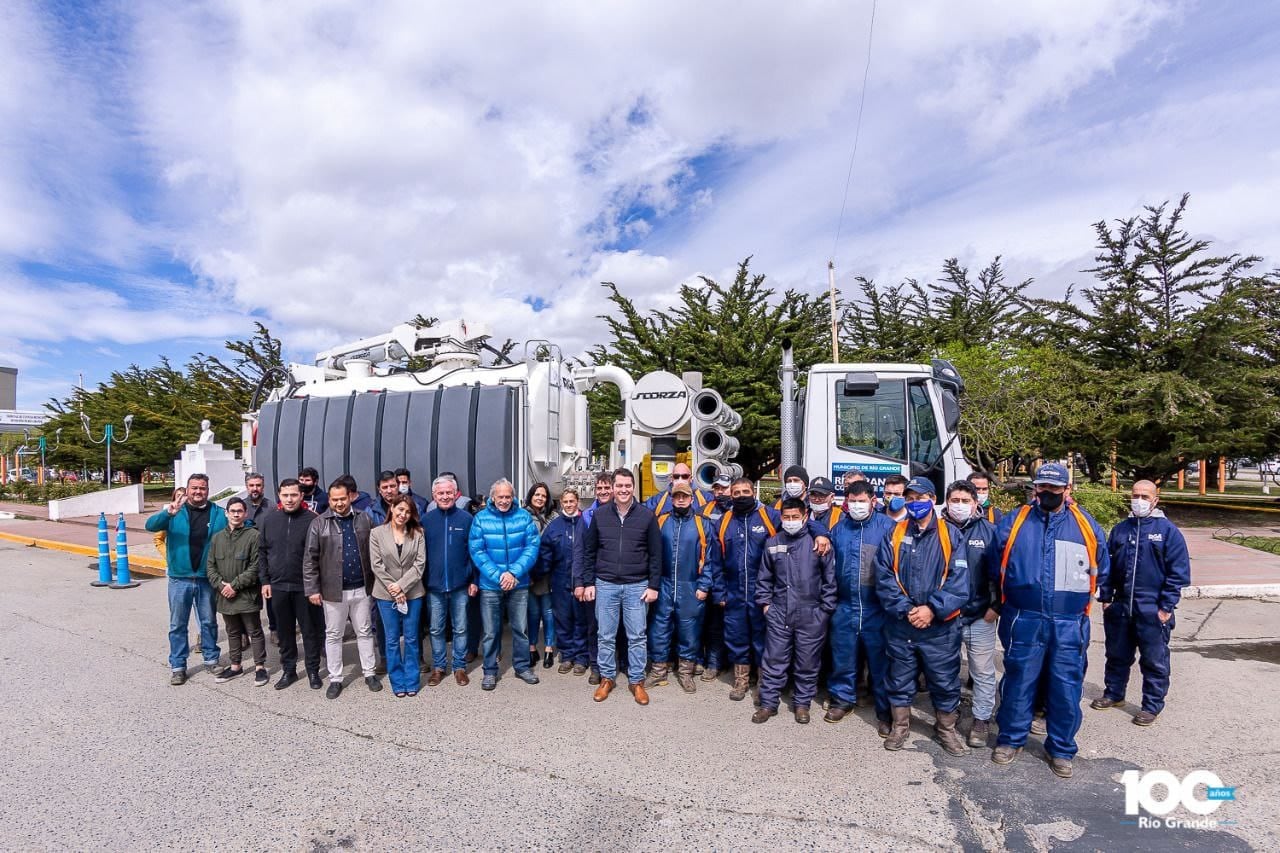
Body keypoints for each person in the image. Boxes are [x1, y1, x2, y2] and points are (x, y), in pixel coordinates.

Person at [989, 463, 1109, 778]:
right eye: (1042, 487)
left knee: (1066, 686)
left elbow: (1102, 568)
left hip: (1069, 621)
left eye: (1055, 489)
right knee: (1018, 681)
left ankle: (1061, 748)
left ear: (1067, 490)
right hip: (1023, 617)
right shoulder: (1016, 522)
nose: (1047, 493)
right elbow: (993, 563)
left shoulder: (1086, 526)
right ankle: (1010, 739)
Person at [876, 477, 970, 755]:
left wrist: (932, 609)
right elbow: (883, 577)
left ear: (932, 499)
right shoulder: (893, 534)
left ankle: (946, 730)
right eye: (910, 498)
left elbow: (959, 581)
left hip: (939, 628)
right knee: (900, 679)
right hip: (901, 625)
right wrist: (906, 610)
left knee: (944, 680)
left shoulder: (951, 535)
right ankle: (900, 727)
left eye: (921, 497)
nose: (915, 503)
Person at [1093, 480, 1191, 726]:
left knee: (1154, 660)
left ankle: (1151, 705)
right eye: (1135, 495)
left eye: (1145, 496)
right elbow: (1107, 567)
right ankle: (1114, 694)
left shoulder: (1168, 531)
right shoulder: (1120, 529)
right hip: (1121, 606)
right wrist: (1106, 598)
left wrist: (1166, 607)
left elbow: (1178, 573)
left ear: (1155, 500)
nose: (1139, 500)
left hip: (1152, 608)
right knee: (1116, 654)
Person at [581, 467, 662, 705]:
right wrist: (588, 582)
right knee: (605, 635)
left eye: (628, 486)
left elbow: (656, 555)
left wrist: (654, 585)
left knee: (637, 636)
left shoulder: (647, 516)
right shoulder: (600, 515)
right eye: (619, 486)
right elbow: (589, 551)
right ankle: (607, 678)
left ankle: (636, 681)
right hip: (605, 585)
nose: (623, 490)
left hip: (637, 586)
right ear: (613, 488)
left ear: (633, 487)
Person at [753, 498, 837, 724]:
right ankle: (768, 704)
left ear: (805, 517)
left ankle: (802, 704)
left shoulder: (818, 544)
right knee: (773, 660)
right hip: (779, 611)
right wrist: (766, 606)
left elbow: (830, 581)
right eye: (786, 517)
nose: (790, 521)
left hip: (811, 613)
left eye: (795, 517)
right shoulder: (773, 543)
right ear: (781, 518)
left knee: (807, 663)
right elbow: (764, 578)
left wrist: (824, 611)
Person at [825, 480, 896, 734]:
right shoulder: (839, 529)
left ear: (873, 501)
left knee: (880, 661)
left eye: (861, 501)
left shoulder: (888, 527)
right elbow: (829, 567)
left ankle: (885, 710)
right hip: (845, 605)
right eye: (852, 501)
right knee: (843, 656)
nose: (856, 505)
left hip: (877, 607)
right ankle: (842, 699)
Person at [146, 473, 227, 685]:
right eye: (194, 488)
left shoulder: (218, 513)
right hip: (179, 578)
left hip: (206, 578)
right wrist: (168, 513)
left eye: (202, 488)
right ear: (187, 489)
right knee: (177, 624)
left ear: (207, 490)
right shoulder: (175, 513)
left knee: (209, 622)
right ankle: (178, 665)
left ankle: (211, 659)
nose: (198, 492)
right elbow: (150, 525)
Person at [304, 479, 381, 699]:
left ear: (350, 497)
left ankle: (369, 673)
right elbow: (310, 559)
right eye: (335, 499)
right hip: (332, 591)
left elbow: (374, 551)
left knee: (365, 632)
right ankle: (335, 678)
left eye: (343, 499)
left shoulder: (364, 519)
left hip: (362, 587)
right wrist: (312, 589)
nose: (339, 503)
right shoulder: (319, 524)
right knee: (334, 635)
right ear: (329, 500)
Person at [648, 481, 723, 692]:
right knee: (659, 629)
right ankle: (658, 671)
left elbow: (710, 558)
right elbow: (651, 554)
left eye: (685, 496)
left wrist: (704, 585)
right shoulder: (661, 521)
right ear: (671, 498)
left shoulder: (703, 523)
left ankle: (686, 673)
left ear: (691, 499)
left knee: (689, 631)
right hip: (663, 584)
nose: (680, 499)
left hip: (691, 586)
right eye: (677, 496)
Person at [941, 480, 999, 748]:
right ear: (947, 502)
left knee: (983, 672)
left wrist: (995, 607)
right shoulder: (936, 529)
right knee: (946, 670)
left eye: (966, 501)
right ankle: (949, 712)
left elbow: (1001, 574)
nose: (960, 506)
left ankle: (981, 719)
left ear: (976, 503)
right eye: (955, 500)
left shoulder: (989, 532)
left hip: (979, 616)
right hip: (945, 616)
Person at [469, 478, 542, 691]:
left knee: (521, 628)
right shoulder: (480, 519)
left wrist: (513, 573)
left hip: (518, 583)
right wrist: (499, 575)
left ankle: (522, 666)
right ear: (492, 498)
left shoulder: (524, 517)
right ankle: (490, 671)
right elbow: (477, 551)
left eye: (508, 496)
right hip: (491, 585)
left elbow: (532, 547)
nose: (504, 500)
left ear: (513, 497)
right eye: (500, 497)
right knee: (491, 631)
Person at [718, 477, 782, 702]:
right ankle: (741, 679)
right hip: (734, 592)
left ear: (753, 492)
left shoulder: (770, 517)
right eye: (737, 493)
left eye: (746, 491)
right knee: (736, 636)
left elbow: (800, 526)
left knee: (763, 637)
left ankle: (764, 681)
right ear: (731, 495)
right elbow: (716, 561)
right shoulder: (724, 520)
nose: (742, 495)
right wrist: (720, 592)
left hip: (763, 591)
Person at [258, 479, 323, 689]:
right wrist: (265, 580)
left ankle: (313, 671)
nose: (289, 499)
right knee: (285, 633)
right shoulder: (270, 520)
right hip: (277, 586)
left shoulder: (313, 520)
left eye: (294, 495)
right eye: (285, 495)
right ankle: (289, 670)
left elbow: (321, 555)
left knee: (310, 631)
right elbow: (262, 552)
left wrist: (317, 586)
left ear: (301, 496)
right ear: (279, 495)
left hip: (305, 587)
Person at [369, 494, 426, 697]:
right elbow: (376, 565)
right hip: (385, 594)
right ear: (391, 508)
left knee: (411, 638)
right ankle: (397, 681)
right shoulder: (376, 533)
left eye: (408, 511)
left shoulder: (417, 533)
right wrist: (394, 589)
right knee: (392, 639)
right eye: (400, 509)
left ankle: (412, 680)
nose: (403, 514)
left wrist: (402, 587)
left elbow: (419, 565)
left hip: (413, 593)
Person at [206, 497, 268, 686]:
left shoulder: (253, 536)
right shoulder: (217, 538)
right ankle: (235, 666)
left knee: (254, 631)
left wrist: (234, 586)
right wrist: (220, 585)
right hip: (225, 595)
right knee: (232, 632)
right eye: (232, 511)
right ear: (226, 513)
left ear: (245, 513)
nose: (235, 514)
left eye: (239, 511)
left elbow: (256, 566)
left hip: (246, 594)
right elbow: (210, 566)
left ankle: (260, 667)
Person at [422, 475, 477, 686]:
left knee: (461, 628)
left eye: (448, 492)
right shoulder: (425, 521)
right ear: (434, 496)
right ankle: (438, 667)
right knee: (436, 629)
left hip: (460, 585)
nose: (445, 496)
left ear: (455, 494)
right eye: (440, 493)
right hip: (434, 585)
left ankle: (459, 667)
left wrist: (474, 579)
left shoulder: (466, 520)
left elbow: (474, 552)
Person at [542, 488, 589, 675]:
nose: (569, 504)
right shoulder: (554, 527)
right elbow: (545, 553)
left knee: (581, 619)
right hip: (559, 580)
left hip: (581, 582)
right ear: (561, 503)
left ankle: (581, 657)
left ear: (577, 502)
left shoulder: (585, 524)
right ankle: (567, 655)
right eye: (566, 502)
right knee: (563, 619)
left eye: (572, 501)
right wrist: (537, 574)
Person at [697, 473, 734, 682]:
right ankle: (713, 663)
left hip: (735, 574)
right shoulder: (703, 512)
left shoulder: (740, 510)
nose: (721, 492)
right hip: (711, 573)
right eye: (717, 488)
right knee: (713, 623)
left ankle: (737, 664)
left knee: (736, 624)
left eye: (724, 488)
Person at [524, 482, 557, 669]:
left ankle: (549, 649)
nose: (540, 498)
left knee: (549, 613)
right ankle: (531, 648)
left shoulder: (554, 517)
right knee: (533, 613)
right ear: (531, 495)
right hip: (528, 572)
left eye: (543, 495)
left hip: (548, 573)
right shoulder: (522, 516)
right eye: (537, 494)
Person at [645, 461, 710, 515]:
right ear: (671, 479)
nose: (680, 479)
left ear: (691, 479)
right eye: (676, 476)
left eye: (685, 476)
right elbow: (640, 512)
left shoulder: (706, 498)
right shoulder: (658, 500)